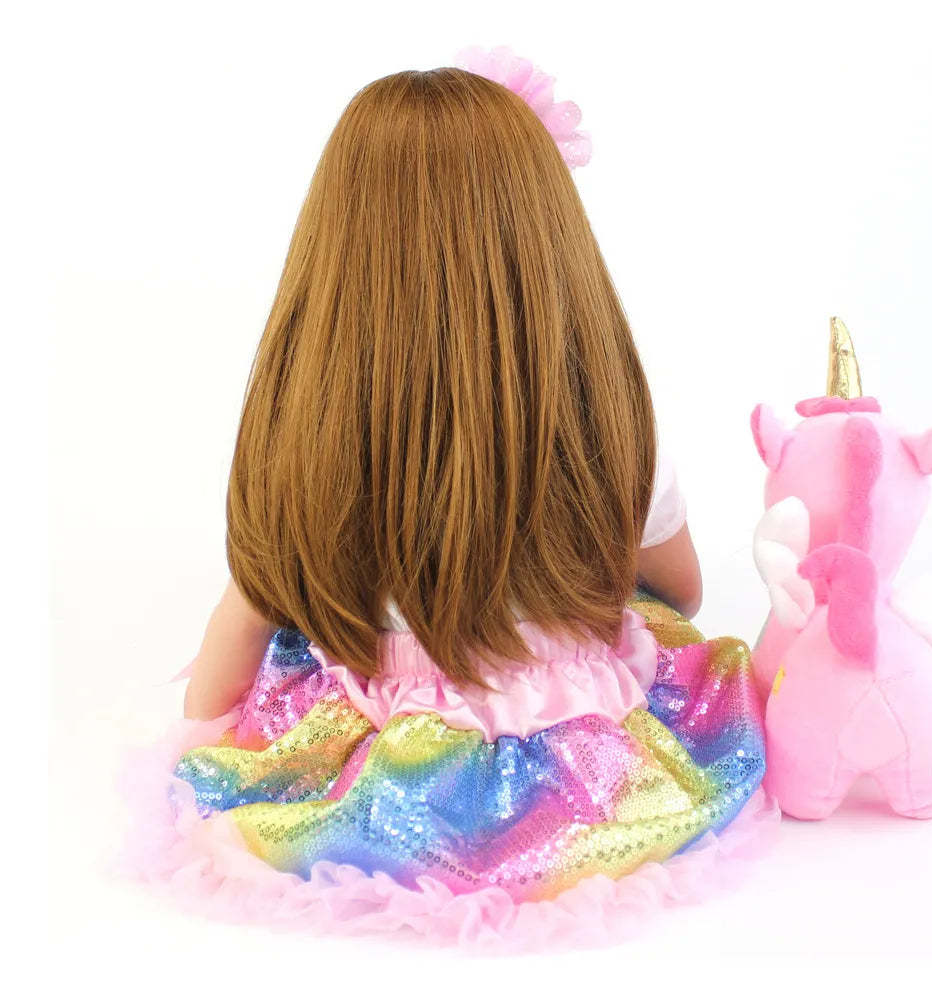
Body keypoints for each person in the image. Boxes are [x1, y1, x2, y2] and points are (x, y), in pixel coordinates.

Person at [125, 49, 773, 948]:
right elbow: (682, 592)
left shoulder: (305, 424)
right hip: (579, 770)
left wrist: (197, 761)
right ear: (547, 233)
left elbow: (245, 615)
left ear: (335, 244)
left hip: (380, 773)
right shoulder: (613, 415)